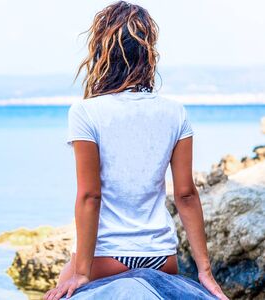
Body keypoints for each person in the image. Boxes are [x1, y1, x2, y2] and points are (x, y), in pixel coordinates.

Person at [43, 1, 229, 300]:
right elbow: (185, 195)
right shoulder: (175, 111)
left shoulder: (85, 113)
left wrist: (80, 273)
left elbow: (90, 196)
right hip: (163, 258)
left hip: (109, 257)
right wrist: (204, 272)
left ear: (101, 51)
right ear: (147, 53)